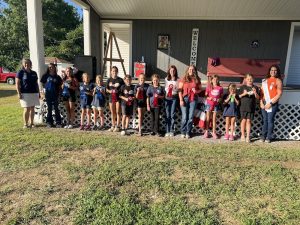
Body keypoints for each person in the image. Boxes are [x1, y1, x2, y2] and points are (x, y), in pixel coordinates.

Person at [260, 65, 283, 143]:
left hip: (272, 104)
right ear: (269, 71)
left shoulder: (278, 80)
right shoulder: (264, 81)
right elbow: (261, 93)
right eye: (272, 70)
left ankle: (269, 137)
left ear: (277, 72)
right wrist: (261, 103)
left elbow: (279, 94)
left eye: (275, 70)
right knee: (265, 120)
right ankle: (263, 136)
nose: (273, 71)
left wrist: (270, 103)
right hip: (264, 103)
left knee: (270, 120)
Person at [178, 65, 201, 139]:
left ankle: (188, 132)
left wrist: (196, 91)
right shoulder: (184, 79)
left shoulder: (197, 79)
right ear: (188, 70)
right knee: (185, 117)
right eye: (190, 69)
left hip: (193, 99)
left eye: (192, 69)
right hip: (185, 98)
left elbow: (200, 90)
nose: (191, 70)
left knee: (190, 117)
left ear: (195, 71)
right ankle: (183, 132)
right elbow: (179, 90)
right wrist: (181, 100)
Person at [16, 59, 40, 128]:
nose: (27, 64)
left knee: (32, 108)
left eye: (28, 63)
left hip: (34, 93)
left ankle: (32, 123)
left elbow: (36, 84)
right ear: (23, 64)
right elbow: (17, 84)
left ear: (30, 64)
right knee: (26, 108)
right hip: (25, 93)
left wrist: (38, 93)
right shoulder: (20, 72)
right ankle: (25, 124)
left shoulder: (34, 73)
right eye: (25, 63)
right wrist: (18, 93)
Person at [238, 74, 260, 142]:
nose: (249, 80)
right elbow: (238, 96)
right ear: (245, 79)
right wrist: (244, 94)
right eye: (248, 79)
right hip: (243, 106)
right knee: (243, 120)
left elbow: (258, 98)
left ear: (253, 79)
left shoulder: (255, 87)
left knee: (249, 121)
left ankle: (248, 136)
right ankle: (242, 135)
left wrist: (255, 92)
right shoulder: (243, 87)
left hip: (251, 107)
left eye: (251, 79)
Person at [40, 63, 63, 128]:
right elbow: (42, 84)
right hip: (48, 94)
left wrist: (60, 94)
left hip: (56, 94)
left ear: (54, 68)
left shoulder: (57, 77)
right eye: (49, 67)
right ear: (48, 68)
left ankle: (58, 122)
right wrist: (42, 92)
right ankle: (49, 122)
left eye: (52, 67)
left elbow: (60, 86)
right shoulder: (45, 76)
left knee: (56, 109)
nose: (51, 68)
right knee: (49, 109)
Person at [204, 74, 223, 139]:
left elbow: (221, 97)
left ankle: (214, 132)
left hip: (216, 105)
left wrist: (219, 100)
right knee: (208, 118)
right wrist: (209, 98)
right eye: (214, 79)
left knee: (214, 119)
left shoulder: (220, 88)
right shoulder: (209, 87)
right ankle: (206, 132)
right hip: (209, 104)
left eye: (217, 79)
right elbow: (206, 95)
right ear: (211, 80)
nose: (215, 80)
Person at [106, 66, 125, 132]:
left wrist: (118, 91)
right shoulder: (109, 80)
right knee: (112, 112)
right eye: (113, 71)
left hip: (118, 98)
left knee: (118, 112)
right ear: (111, 72)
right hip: (111, 98)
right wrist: (110, 91)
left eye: (115, 71)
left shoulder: (120, 80)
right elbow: (107, 89)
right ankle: (113, 125)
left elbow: (123, 89)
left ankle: (118, 126)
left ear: (117, 72)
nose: (114, 72)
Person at [164, 65, 179, 137]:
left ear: (175, 71)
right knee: (167, 114)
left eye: (173, 70)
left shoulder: (178, 79)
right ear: (169, 71)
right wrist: (168, 90)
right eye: (171, 70)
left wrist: (175, 88)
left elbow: (178, 89)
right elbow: (165, 89)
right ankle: (167, 130)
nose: (172, 72)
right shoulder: (166, 79)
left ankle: (172, 130)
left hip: (174, 98)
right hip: (167, 98)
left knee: (172, 114)